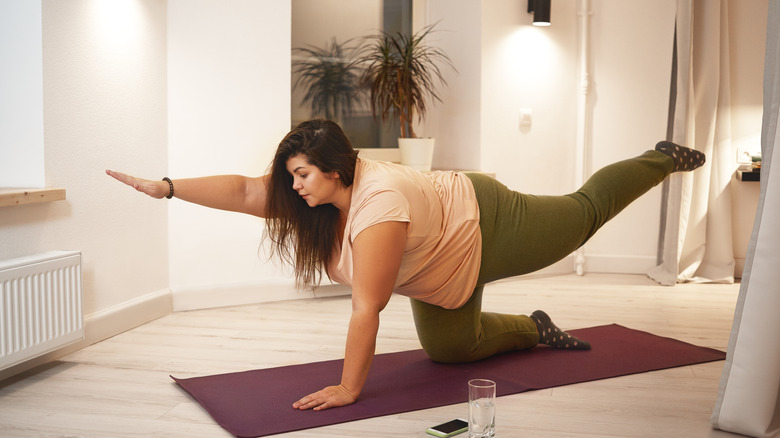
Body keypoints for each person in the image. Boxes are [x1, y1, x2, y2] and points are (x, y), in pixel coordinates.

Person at [106, 119, 706, 412]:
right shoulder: (317, 194)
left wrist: (349, 388)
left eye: (303, 175)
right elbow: (241, 191)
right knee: (452, 349)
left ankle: (657, 159)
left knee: (581, 215)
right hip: (440, 265)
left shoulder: (379, 206)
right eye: (291, 175)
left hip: (482, 222)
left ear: (336, 170)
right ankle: (536, 327)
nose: (294, 187)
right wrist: (166, 187)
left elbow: (367, 307)